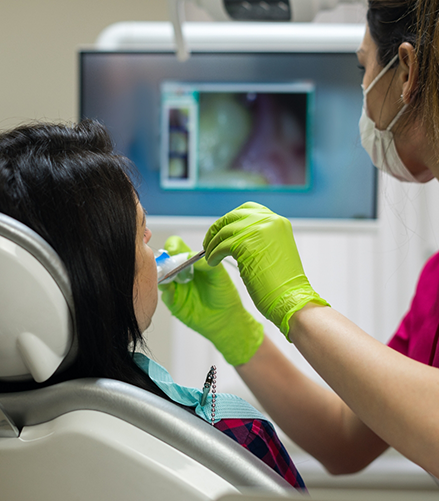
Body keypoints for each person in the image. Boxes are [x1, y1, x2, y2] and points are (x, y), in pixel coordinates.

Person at [160, 0, 439, 480]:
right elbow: (345, 439)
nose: (364, 93)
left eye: (362, 68)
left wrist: (297, 303)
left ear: (408, 69)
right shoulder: (435, 281)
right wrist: (238, 332)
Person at [0, 119, 305, 491]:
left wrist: (236, 334)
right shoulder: (239, 437)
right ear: (100, 276)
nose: (150, 236)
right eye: (139, 229)